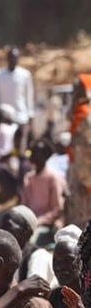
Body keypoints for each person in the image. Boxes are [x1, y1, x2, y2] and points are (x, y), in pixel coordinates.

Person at [0, 47, 35, 153]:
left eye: (15, 58)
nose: (13, 60)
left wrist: (30, 116)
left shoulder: (25, 75)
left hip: (21, 118)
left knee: (21, 149)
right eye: (11, 58)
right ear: (7, 59)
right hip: (4, 120)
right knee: (5, 149)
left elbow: (29, 96)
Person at [0, 204, 56, 285]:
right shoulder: (5, 256)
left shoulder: (38, 256)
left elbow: (34, 291)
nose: (2, 230)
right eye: (2, 226)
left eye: (8, 226)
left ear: (26, 231)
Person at [22, 139, 65, 234]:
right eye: (33, 152)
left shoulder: (52, 178)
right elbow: (24, 205)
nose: (33, 155)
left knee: (31, 240)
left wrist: (39, 221)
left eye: (37, 153)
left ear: (45, 157)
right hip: (29, 223)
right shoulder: (28, 178)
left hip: (47, 226)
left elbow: (57, 209)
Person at [65, 74, 91, 227]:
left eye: (76, 88)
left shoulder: (86, 116)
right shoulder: (77, 113)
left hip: (85, 173)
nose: (74, 92)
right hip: (77, 169)